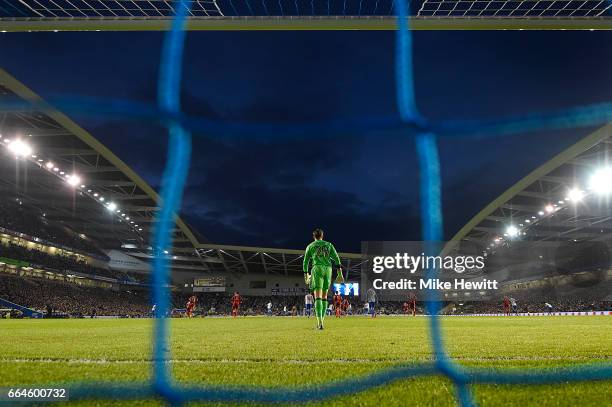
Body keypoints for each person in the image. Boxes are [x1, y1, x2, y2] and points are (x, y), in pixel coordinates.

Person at [303, 228, 343, 330]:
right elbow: (337, 259)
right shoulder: (329, 245)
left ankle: (319, 322)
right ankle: (323, 321)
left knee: (318, 297)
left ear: (314, 236)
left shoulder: (310, 246)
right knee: (324, 296)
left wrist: (306, 275)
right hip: (328, 270)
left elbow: (305, 262)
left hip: (317, 269)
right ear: (322, 235)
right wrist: (340, 274)